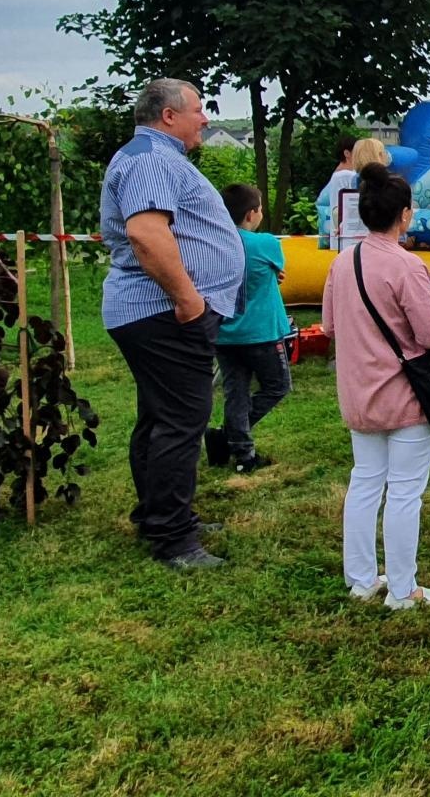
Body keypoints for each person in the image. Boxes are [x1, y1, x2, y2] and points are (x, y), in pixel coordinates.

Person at [100, 79, 245, 569]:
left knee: (161, 417)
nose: (204, 118)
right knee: (182, 422)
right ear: (168, 116)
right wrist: (188, 300)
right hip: (163, 312)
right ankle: (175, 540)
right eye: (198, 109)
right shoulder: (151, 160)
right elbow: (145, 232)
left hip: (155, 312)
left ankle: (159, 514)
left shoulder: (153, 157)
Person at [322, 164, 430, 610]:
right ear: (405, 215)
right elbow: (429, 334)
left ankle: (361, 579)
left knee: (365, 484)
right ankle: (403, 589)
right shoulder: (407, 266)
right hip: (406, 397)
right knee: (404, 492)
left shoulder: (341, 263)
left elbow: (328, 326)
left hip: (359, 395)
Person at [205, 184, 292, 474]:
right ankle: (232, 435)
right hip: (261, 333)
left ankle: (243, 454)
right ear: (252, 213)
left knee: (236, 392)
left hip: (225, 333)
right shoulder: (265, 243)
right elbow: (276, 267)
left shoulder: (213, 245)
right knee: (277, 385)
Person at [315, 135, 358, 248]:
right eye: (357, 151)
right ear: (347, 153)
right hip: (347, 232)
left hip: (343, 231)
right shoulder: (345, 175)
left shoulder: (340, 174)